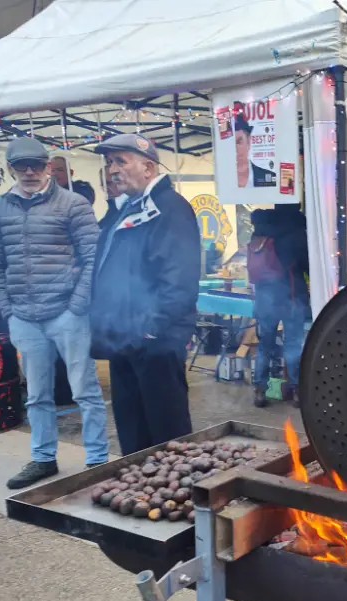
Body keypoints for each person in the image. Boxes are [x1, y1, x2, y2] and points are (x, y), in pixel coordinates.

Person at [0, 137, 109, 488]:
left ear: (48, 168)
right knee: (37, 395)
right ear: (10, 168)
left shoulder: (73, 204)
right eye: (21, 165)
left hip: (67, 312)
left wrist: (77, 304)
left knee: (85, 390)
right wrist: (9, 311)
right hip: (24, 315)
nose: (29, 172)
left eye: (36, 165)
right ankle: (43, 458)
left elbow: (91, 259)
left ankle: (97, 459)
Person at [89, 134, 200, 455]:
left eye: (121, 161)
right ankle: (139, 489)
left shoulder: (170, 208)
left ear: (148, 167)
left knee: (167, 432)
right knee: (132, 428)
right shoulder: (123, 208)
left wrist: (153, 329)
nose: (112, 170)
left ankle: (178, 497)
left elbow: (180, 277)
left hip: (154, 341)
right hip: (123, 338)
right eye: (110, 162)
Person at [247, 204, 310, 408]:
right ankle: (298, 391)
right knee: (293, 345)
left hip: (265, 299)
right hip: (291, 296)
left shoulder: (261, 231)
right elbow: (308, 264)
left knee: (265, 346)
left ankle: (259, 391)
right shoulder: (296, 231)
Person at [233, 106, 276, 189]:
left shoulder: (270, 178)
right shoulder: (223, 182)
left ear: (248, 142)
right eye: (230, 145)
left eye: (239, 142)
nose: (235, 150)